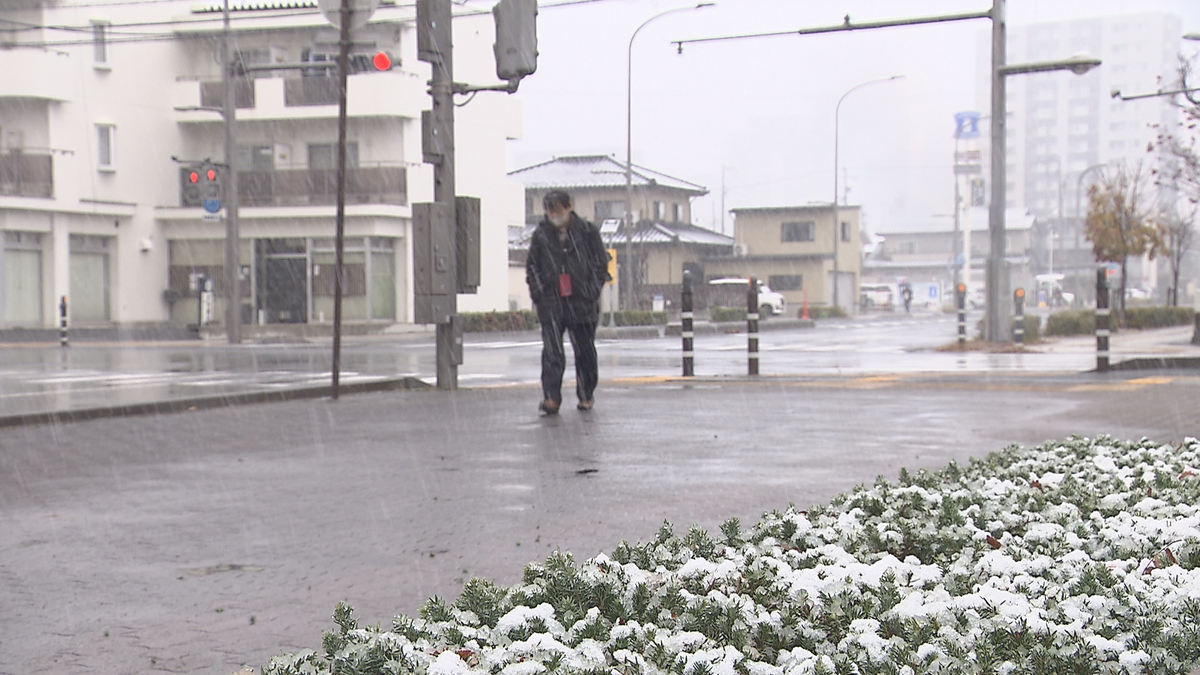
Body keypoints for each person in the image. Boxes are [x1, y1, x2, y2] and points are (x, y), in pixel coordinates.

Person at [526, 190, 611, 415]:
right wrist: (539, 293)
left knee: (584, 351)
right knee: (552, 352)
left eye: (557, 209)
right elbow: (532, 265)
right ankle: (551, 397)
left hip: (582, 302)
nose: (553, 215)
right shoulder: (542, 234)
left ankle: (586, 395)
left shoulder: (587, 231)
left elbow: (600, 264)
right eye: (549, 210)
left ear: (568, 207)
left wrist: (590, 290)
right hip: (552, 302)